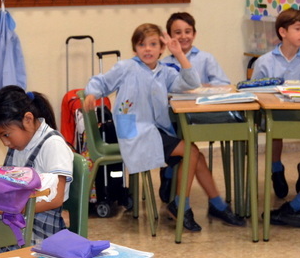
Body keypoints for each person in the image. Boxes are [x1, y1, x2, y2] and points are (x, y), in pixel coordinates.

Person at [82, 23, 207, 232]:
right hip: (136, 133)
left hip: (155, 130)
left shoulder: (165, 72)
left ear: (162, 48)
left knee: (190, 152)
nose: (147, 49)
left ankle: (176, 197)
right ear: (135, 49)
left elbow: (192, 82)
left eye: (153, 44)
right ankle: (180, 206)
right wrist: (92, 94)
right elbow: (101, 82)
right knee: (191, 151)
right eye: (142, 45)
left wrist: (179, 54)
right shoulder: (126, 68)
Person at [159, 12, 244, 226]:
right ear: (169, 37)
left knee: (193, 153)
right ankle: (216, 204)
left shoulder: (206, 58)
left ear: (195, 34)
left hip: (203, 116)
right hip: (174, 121)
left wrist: (201, 86)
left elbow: (224, 85)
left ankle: (177, 182)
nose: (183, 36)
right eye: (177, 32)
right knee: (193, 153)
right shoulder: (164, 63)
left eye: (188, 31)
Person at [251, 8, 300, 228]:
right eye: (298, 29)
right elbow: (253, 91)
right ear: (283, 32)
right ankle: (276, 169)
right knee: (274, 130)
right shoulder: (265, 61)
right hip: (273, 115)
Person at [0, 86, 73, 242]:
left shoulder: (53, 145)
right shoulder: (18, 146)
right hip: (16, 220)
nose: (5, 143)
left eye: (6, 135)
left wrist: (7, 208)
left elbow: (56, 199)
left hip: (40, 230)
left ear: (28, 120)